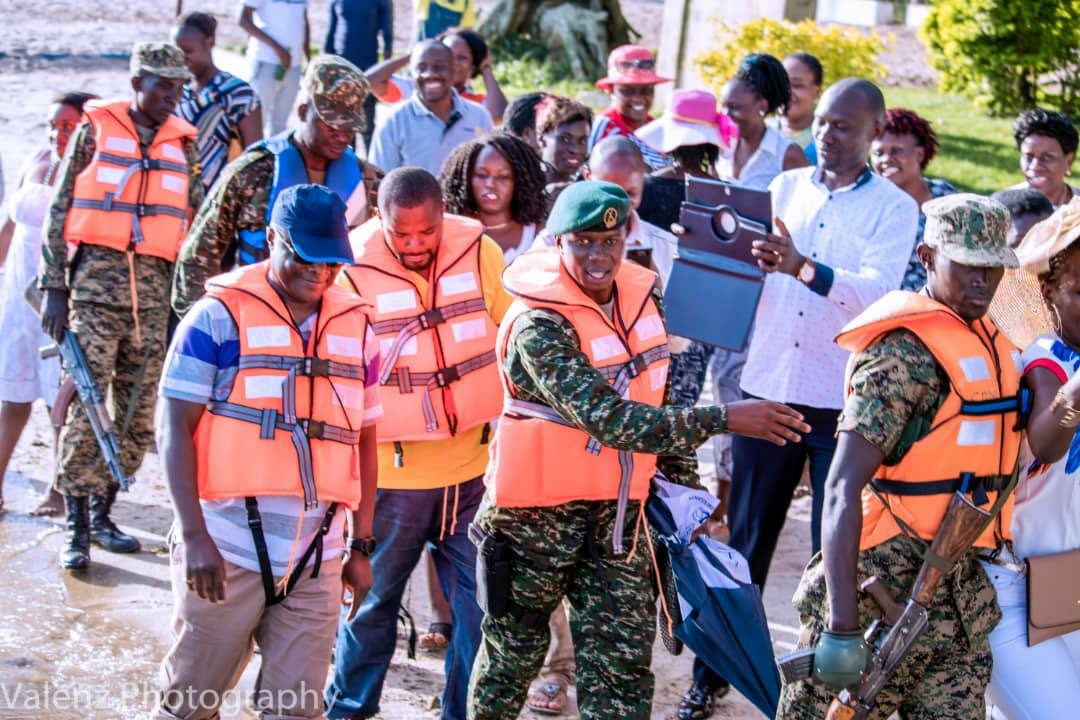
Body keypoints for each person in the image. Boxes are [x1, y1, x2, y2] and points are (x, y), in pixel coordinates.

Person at [466, 180, 810, 719]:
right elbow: (612, 420)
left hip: (619, 519)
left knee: (621, 666)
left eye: (609, 242)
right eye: (582, 243)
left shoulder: (643, 299)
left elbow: (659, 396)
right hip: (533, 523)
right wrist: (726, 418)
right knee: (512, 660)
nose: (598, 256)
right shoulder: (539, 322)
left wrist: (689, 502)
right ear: (558, 242)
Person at [683, 79, 920, 718]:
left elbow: (876, 296)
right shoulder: (783, 191)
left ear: (872, 133)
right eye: (820, 123)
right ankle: (710, 678)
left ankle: (822, 695)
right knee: (745, 548)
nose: (826, 134)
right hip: (767, 390)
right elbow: (747, 273)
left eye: (843, 126)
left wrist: (803, 268)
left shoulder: (895, 210)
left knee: (830, 552)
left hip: (838, 403)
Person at [778, 194, 1023, 720]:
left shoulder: (991, 340)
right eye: (967, 265)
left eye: (992, 268)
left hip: (956, 590)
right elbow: (842, 485)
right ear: (927, 256)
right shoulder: (901, 354)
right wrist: (841, 625)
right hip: (875, 583)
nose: (982, 282)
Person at [152, 183, 378, 720]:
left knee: (295, 712)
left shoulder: (358, 326)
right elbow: (172, 429)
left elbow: (366, 439)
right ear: (272, 238)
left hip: (317, 559)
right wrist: (193, 538)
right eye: (305, 255)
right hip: (225, 551)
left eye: (332, 261)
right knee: (189, 704)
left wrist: (361, 544)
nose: (320, 273)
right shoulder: (215, 319)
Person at [326, 167, 511, 720]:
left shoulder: (479, 252)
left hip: (473, 475)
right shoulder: (349, 270)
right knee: (369, 606)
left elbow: (513, 333)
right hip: (391, 479)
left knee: (482, 611)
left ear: (442, 218)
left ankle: (463, 712)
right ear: (379, 219)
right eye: (400, 235)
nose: (414, 246)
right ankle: (350, 710)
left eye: (426, 233)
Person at [39, 43, 203, 570]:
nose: (169, 98)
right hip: (94, 292)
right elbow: (61, 204)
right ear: (137, 83)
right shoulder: (96, 130)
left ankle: (108, 513)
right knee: (90, 410)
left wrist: (188, 306)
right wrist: (54, 287)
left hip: (154, 298)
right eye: (161, 87)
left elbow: (192, 228)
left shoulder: (184, 146)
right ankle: (78, 527)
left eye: (177, 89)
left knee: (136, 414)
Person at [172, 54, 377, 318]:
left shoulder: (368, 183)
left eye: (350, 126)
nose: (342, 134)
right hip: (254, 316)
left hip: (333, 323)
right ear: (303, 112)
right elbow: (199, 254)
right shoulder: (253, 171)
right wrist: (201, 326)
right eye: (331, 123)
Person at [983, 197, 1080, 718]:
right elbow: (1047, 443)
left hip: (1070, 582)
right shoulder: (1045, 362)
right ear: (1049, 292)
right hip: (1015, 589)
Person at [0, 91, 95, 516]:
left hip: (56, 301)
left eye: (68, 127)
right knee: (10, 396)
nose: (58, 135)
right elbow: (8, 226)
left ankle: (58, 491)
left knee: (59, 401)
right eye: (54, 125)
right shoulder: (35, 158)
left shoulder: (89, 173)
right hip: (16, 298)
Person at [369, 40, 493, 176]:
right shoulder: (394, 121)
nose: (430, 74)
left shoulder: (479, 116)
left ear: (453, 71)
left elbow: (486, 173)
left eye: (439, 66)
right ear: (411, 74)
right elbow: (379, 180)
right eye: (421, 67)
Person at [173, 11, 263, 193]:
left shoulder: (238, 94)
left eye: (189, 51)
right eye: (177, 51)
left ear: (210, 42)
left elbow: (255, 158)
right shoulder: (177, 91)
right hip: (175, 192)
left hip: (219, 198)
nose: (182, 58)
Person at [871, 108, 957, 292]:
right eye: (878, 153)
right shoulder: (866, 203)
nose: (886, 159)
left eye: (896, 151)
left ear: (919, 154)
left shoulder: (945, 199)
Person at [582, 136, 677, 286]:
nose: (619, 203)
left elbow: (680, 306)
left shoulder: (666, 248)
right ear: (587, 176)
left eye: (630, 193)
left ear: (642, 183)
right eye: (609, 192)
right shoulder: (555, 241)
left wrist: (657, 290)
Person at [440, 132, 548, 264]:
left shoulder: (540, 235)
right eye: (481, 175)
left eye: (503, 176)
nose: (490, 184)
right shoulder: (450, 232)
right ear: (467, 179)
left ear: (520, 182)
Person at [718, 53, 809, 189]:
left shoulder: (787, 155)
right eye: (723, 106)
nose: (726, 115)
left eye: (735, 107)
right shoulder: (719, 145)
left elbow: (806, 205)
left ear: (762, 106)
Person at [323, 0, 393, 151]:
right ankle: (346, 167)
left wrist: (385, 71)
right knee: (343, 124)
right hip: (340, 73)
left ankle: (373, 168)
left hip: (367, 71)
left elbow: (387, 35)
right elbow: (330, 35)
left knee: (367, 124)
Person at [588, 45, 671, 171]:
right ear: (610, 91)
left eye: (646, 90)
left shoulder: (656, 129)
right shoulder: (604, 126)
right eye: (627, 91)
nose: (638, 98)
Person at [240, 0, 309, 137]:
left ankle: (272, 158)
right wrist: (278, 49)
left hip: (293, 65)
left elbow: (304, 21)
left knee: (280, 125)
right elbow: (243, 20)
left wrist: (307, 58)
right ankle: (252, 157)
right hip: (265, 61)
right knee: (257, 121)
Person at [1011, 108, 1078, 209]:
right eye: (1029, 156)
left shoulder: (1077, 207)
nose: (1035, 166)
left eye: (1047, 157)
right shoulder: (1004, 209)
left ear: (1069, 161)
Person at [771, 52, 823, 165]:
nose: (786, 92)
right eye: (781, 84)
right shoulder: (761, 132)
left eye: (797, 85)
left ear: (817, 92)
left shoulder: (828, 138)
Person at [535, 95, 592, 195]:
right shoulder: (525, 186)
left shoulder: (586, 188)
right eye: (565, 139)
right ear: (541, 139)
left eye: (582, 141)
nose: (575, 149)